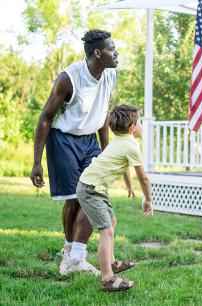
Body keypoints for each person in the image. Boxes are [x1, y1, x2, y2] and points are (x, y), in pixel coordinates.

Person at [30, 29, 119, 275]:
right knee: (75, 199)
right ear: (98, 53)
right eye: (112, 49)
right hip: (63, 140)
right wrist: (37, 162)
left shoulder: (111, 74)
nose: (117, 52)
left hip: (89, 140)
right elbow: (46, 117)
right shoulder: (69, 78)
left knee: (93, 195)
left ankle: (78, 256)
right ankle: (69, 254)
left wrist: (106, 152)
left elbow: (103, 116)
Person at [76, 104, 153, 292]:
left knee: (111, 221)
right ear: (132, 127)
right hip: (90, 189)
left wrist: (128, 186)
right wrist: (148, 200)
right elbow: (144, 177)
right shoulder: (131, 146)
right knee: (106, 230)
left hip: (95, 188)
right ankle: (108, 279)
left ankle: (112, 263)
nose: (142, 125)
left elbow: (124, 166)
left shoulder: (120, 141)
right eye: (140, 122)